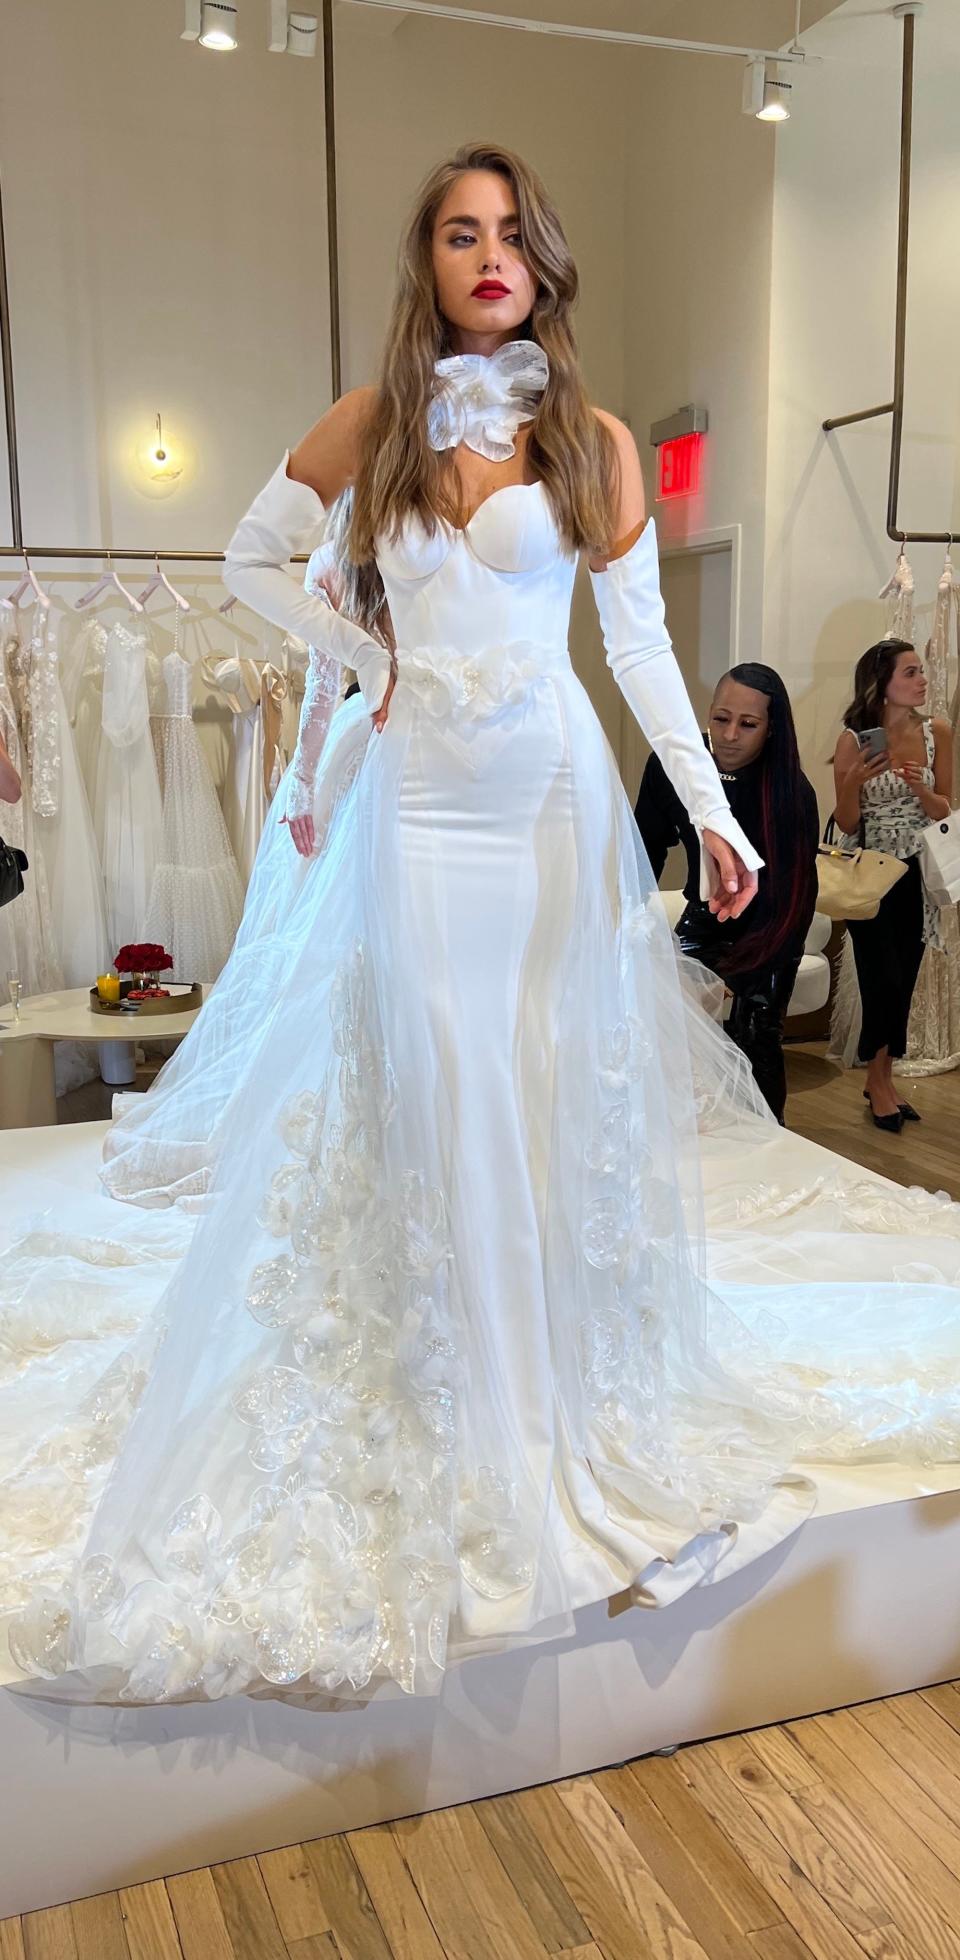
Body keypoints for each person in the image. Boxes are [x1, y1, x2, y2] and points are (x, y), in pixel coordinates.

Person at [6, 146, 960, 1712]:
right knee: (434, 1082)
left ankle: (552, 1401)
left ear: (545, 261)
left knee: (533, 1089)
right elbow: (251, 559)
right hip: (423, 811)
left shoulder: (590, 441)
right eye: (462, 233)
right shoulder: (373, 423)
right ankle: (449, 1406)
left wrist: (715, 814)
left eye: (511, 231)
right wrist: (359, 668)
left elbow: (642, 643)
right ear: (430, 264)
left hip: (547, 807)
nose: (490, 252)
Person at [636, 664, 819, 1123]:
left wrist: (752, 967)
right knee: (660, 1019)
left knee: (756, 1033)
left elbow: (798, 895)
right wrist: (625, 920)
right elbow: (644, 850)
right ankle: (687, 1140)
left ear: (772, 729)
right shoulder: (673, 766)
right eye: (721, 718)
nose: (731, 735)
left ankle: (770, 1144)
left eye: (749, 724)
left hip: (774, 924)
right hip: (707, 915)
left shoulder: (791, 790)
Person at [833, 638, 952, 1132]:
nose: (921, 680)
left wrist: (923, 788)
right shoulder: (853, 737)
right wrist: (853, 782)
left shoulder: (938, 732)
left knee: (903, 978)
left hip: (919, 872)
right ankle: (879, 1080)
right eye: (909, 672)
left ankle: (880, 1076)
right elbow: (845, 822)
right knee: (879, 977)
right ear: (882, 683)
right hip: (872, 873)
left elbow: (948, 810)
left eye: (920, 671)